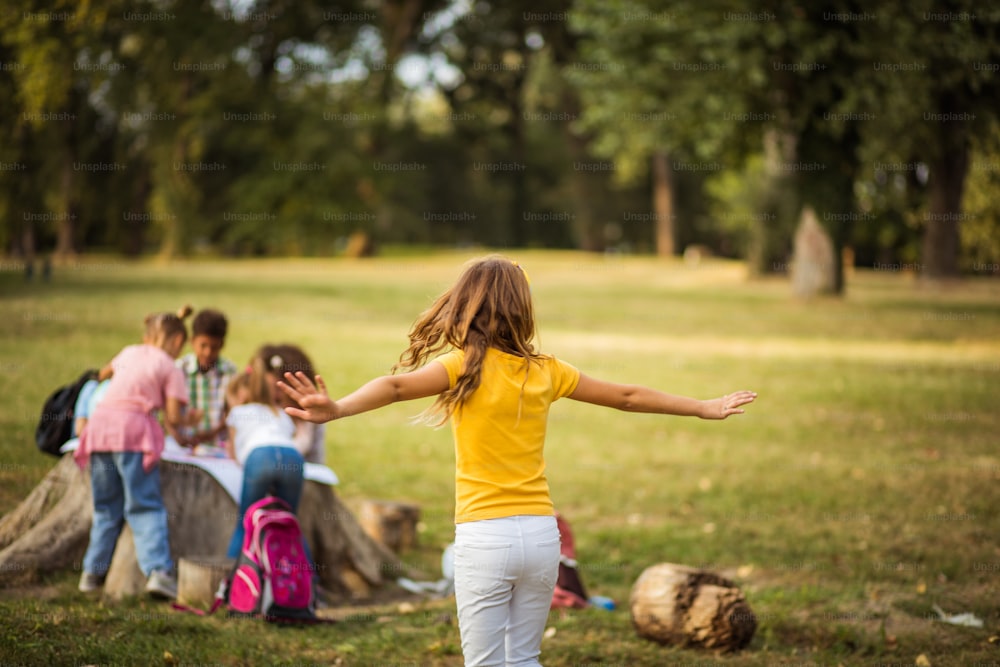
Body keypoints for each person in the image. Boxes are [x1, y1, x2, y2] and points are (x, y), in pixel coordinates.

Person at [277, 255, 757, 666]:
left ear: (465, 308)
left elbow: (397, 385)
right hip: (541, 539)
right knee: (524, 659)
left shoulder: (461, 366)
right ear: (522, 311)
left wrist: (338, 408)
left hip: (486, 538)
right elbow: (627, 396)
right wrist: (702, 406)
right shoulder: (548, 371)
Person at [74, 306, 203, 599]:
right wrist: (189, 420)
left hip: (100, 431)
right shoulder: (171, 367)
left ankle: (92, 572)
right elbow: (172, 415)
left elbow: (103, 374)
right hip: (132, 434)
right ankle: (158, 572)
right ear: (177, 342)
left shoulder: (129, 352)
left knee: (106, 507)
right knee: (144, 504)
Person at [223, 354, 313, 559]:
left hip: (259, 457)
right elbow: (289, 438)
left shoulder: (238, 412)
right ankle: (307, 582)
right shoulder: (278, 412)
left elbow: (234, 454)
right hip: (292, 458)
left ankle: (232, 581)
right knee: (290, 523)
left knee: (245, 524)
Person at [170, 308, 238, 449]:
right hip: (181, 445)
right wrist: (177, 436)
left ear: (222, 345)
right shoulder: (178, 369)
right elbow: (168, 412)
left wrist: (211, 433)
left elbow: (232, 412)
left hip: (217, 446)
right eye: (203, 345)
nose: (208, 352)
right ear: (192, 341)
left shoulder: (230, 372)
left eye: (214, 347)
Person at [258, 343, 327, 464]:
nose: (277, 396)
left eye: (281, 389)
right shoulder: (263, 413)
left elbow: (316, 462)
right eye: (273, 389)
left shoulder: (313, 418)